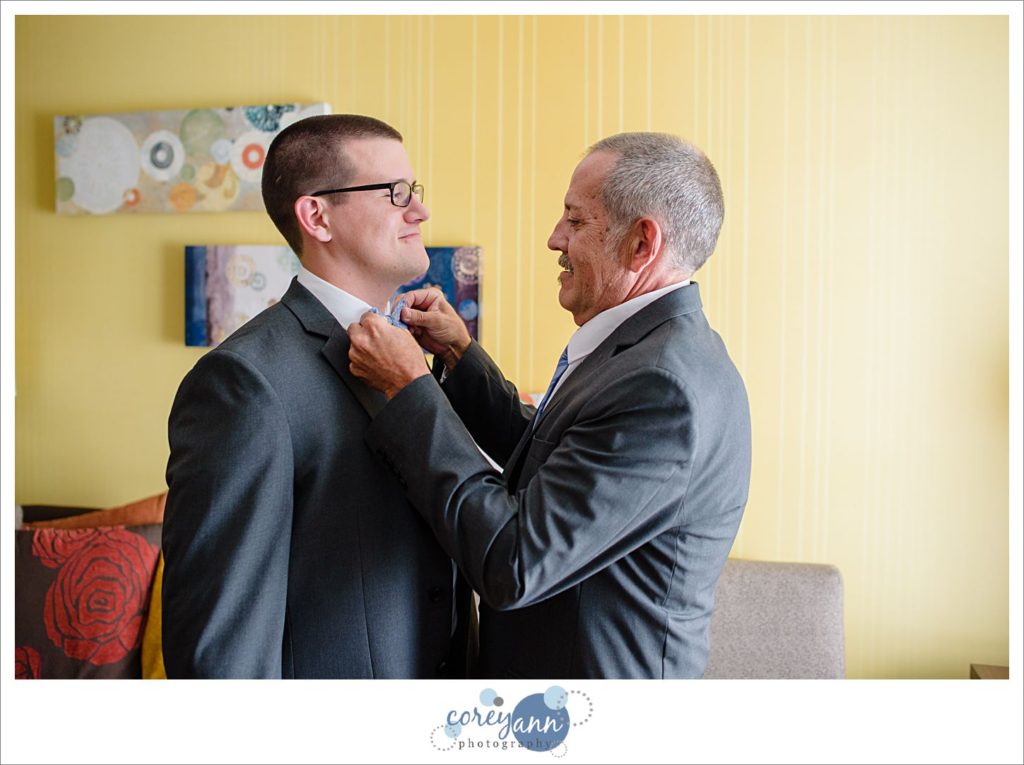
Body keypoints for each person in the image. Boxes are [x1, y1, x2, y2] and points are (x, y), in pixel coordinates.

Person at [348, 132, 751, 679]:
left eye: (575, 221)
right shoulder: (646, 350)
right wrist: (460, 356)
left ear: (641, 243)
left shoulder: (662, 387)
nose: (553, 239)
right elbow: (549, 460)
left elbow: (514, 561)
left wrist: (409, 391)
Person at [162, 114, 476, 678]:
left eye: (415, 192)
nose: (419, 210)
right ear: (317, 216)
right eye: (395, 193)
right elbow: (222, 640)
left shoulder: (415, 352)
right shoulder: (242, 383)